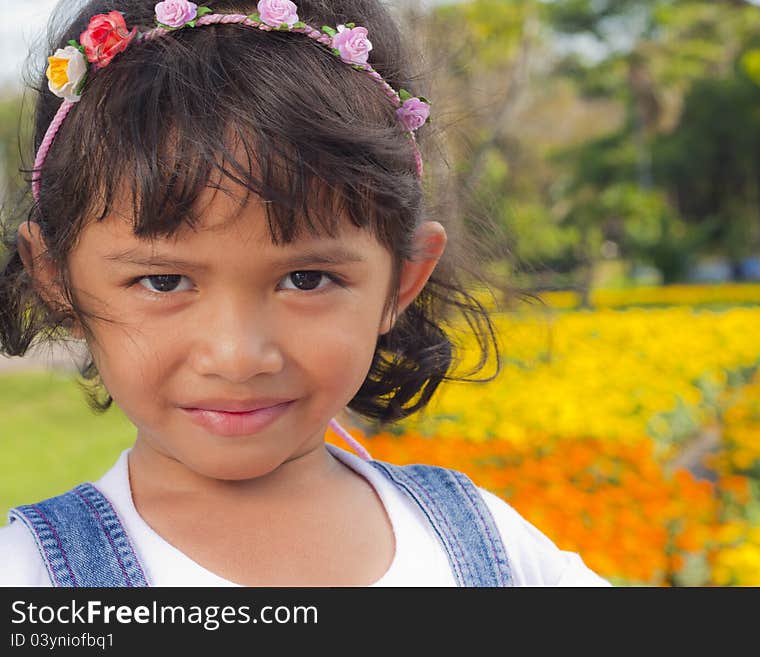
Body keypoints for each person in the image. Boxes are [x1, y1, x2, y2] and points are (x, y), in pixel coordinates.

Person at [0, 0, 609, 587]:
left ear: (401, 280)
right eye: (163, 281)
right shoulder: (28, 576)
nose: (238, 355)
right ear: (58, 281)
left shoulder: (496, 548)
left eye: (307, 279)